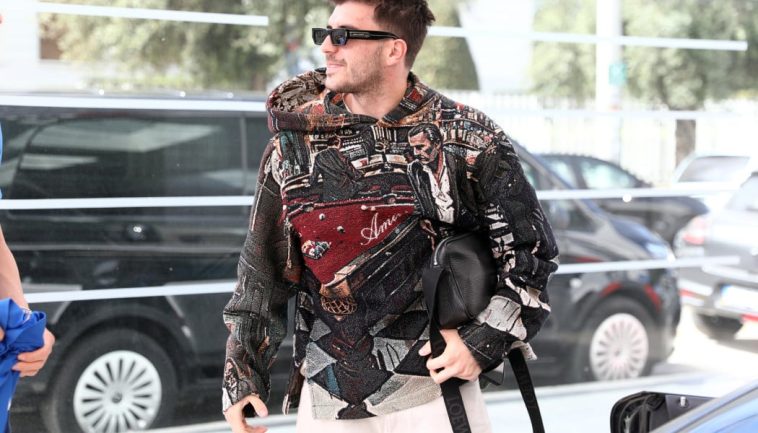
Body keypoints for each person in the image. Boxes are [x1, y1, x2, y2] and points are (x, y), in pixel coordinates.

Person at [222, 1, 559, 432]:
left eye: (343, 35)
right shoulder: (293, 145)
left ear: (393, 49)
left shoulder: (468, 139)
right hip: (328, 400)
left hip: (438, 395)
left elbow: (532, 255)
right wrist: (242, 376)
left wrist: (482, 342)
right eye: (325, 33)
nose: (327, 47)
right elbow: (261, 272)